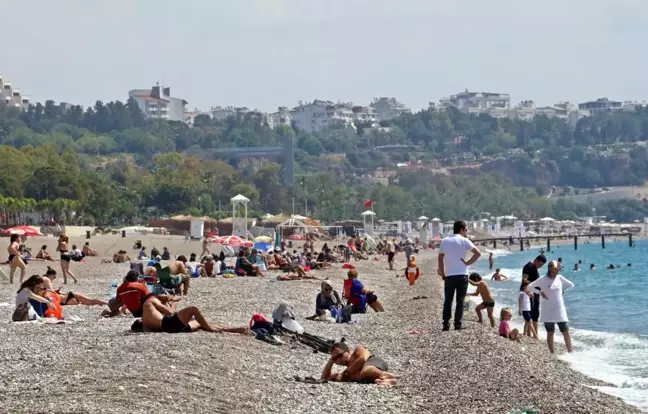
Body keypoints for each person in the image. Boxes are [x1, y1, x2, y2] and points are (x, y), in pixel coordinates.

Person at [438, 220, 481, 331]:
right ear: (461, 229)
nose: (466, 232)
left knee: (448, 300)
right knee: (460, 300)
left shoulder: (444, 241)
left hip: (450, 275)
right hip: (462, 274)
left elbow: (440, 259)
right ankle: (457, 324)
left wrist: (443, 273)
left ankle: (446, 324)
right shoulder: (464, 241)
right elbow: (478, 253)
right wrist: (468, 263)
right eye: (466, 230)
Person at [137, 296, 249, 334]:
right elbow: (171, 312)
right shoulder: (150, 300)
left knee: (201, 323)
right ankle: (212, 329)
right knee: (193, 309)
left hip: (171, 328)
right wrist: (173, 303)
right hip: (169, 325)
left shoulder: (146, 317)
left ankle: (234, 329)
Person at [528, 260, 574, 353]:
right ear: (549, 269)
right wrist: (540, 292)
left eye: (556, 271)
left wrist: (564, 291)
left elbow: (571, 285)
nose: (554, 273)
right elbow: (529, 286)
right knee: (550, 331)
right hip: (547, 309)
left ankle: (570, 351)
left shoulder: (560, 278)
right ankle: (552, 352)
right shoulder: (543, 279)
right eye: (552, 271)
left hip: (559, 309)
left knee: (565, 330)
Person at [321, 342, 398, 386]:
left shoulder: (357, 352)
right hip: (367, 376)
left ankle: (383, 375)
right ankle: (386, 380)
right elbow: (324, 379)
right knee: (364, 375)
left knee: (365, 370)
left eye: (340, 355)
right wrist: (330, 362)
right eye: (335, 359)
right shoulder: (345, 374)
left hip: (374, 362)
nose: (338, 360)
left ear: (348, 352)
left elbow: (364, 359)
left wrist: (345, 373)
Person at [42, 267, 107, 306]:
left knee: (87, 301)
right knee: (89, 301)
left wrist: (57, 291)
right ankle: (105, 303)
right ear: (51, 274)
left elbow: (49, 293)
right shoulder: (47, 279)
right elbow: (51, 294)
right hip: (66, 298)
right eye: (54, 276)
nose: (55, 278)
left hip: (65, 299)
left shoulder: (43, 280)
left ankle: (104, 303)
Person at [521, 254, 547, 334]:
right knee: (534, 315)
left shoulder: (533, 267)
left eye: (541, 265)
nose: (540, 266)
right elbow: (524, 279)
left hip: (534, 294)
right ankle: (534, 335)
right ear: (536, 260)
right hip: (531, 294)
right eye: (540, 264)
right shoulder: (529, 267)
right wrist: (529, 292)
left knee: (533, 314)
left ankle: (530, 334)